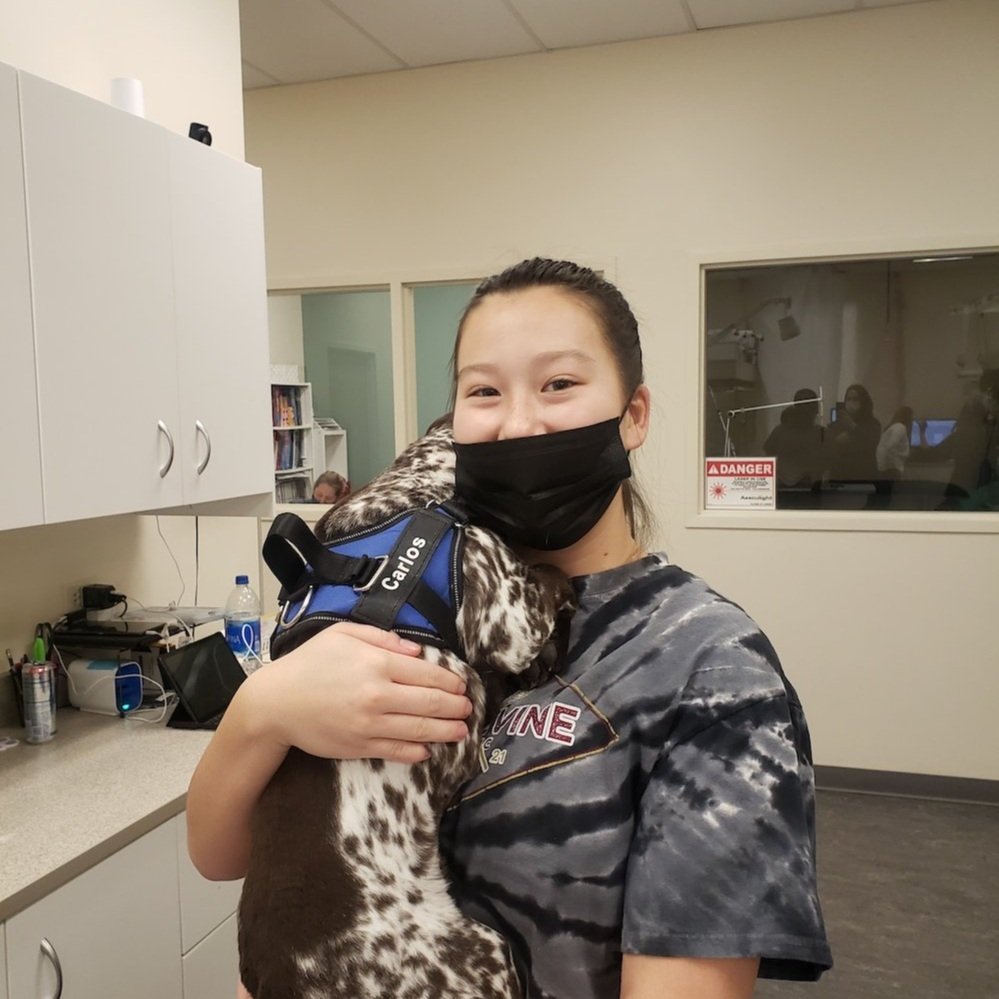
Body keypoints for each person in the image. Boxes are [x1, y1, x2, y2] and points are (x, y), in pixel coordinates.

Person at [188, 258, 832, 998]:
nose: (519, 421)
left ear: (634, 414)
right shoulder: (411, 596)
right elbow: (220, 854)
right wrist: (263, 708)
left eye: (558, 384)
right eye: (483, 391)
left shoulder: (708, 667)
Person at [763, 388, 825, 506]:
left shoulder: (780, 431)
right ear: (816, 410)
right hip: (798, 492)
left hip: (792, 491)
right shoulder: (820, 433)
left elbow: (768, 454)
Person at [826, 383, 881, 485]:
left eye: (855, 399)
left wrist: (852, 426)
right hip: (840, 478)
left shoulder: (873, 424)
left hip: (864, 478)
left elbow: (870, 444)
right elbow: (828, 449)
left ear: (863, 402)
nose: (851, 403)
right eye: (848, 399)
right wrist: (836, 442)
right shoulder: (835, 426)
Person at [872, 405, 914, 507]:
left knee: (884, 500)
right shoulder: (900, 428)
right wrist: (894, 464)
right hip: (891, 469)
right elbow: (890, 447)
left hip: (885, 468)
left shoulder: (893, 427)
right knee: (889, 501)